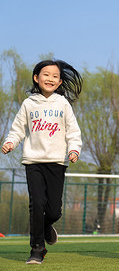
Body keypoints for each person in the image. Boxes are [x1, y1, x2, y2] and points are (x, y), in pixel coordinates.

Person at [2, 60, 83, 265]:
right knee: (36, 205)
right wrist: (10, 142)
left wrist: (74, 149)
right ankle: (37, 249)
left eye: (55, 76)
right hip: (33, 161)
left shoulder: (63, 104)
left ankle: (46, 226)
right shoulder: (29, 103)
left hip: (56, 162)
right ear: (36, 78)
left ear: (60, 81)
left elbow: (73, 131)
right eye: (46, 75)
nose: (50, 79)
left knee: (54, 210)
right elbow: (18, 128)